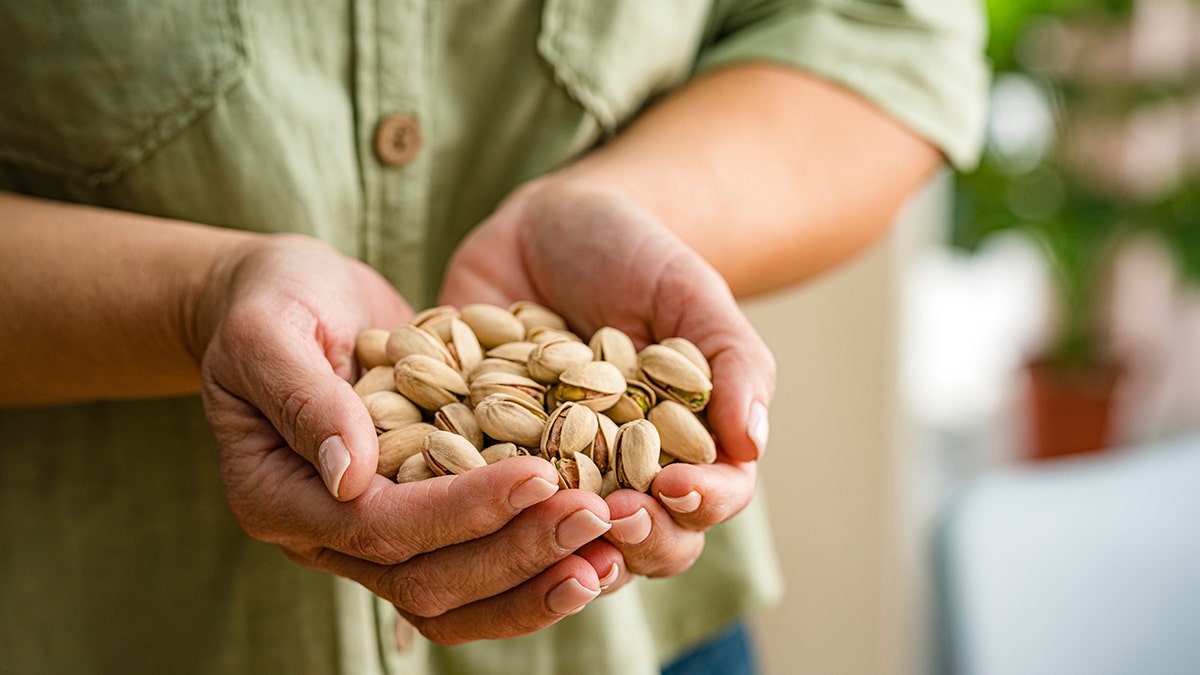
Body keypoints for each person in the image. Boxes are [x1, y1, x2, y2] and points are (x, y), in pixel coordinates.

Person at [0, 1, 987, 673]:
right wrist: (193, 301)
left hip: (631, 643)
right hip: (103, 630)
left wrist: (620, 204)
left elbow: (886, 35)